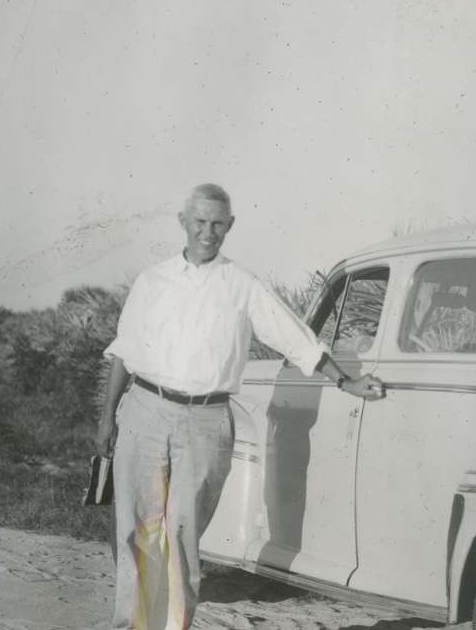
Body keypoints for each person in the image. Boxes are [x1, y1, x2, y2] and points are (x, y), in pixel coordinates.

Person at [94, 183, 385, 630]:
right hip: (144, 411)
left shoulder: (242, 285)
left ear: (229, 226)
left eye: (217, 224)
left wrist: (345, 380)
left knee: (182, 537)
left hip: (207, 422)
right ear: (183, 223)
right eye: (199, 222)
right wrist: (106, 419)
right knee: (139, 531)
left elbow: (294, 337)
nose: (207, 232)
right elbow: (123, 351)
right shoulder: (153, 281)